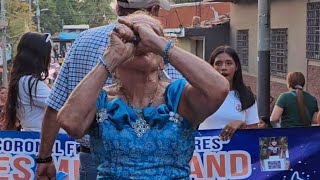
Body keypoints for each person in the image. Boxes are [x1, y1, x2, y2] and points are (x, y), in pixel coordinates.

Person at [55, 12, 229, 179]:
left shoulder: (178, 97)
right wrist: (111, 57)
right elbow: (70, 122)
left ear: (163, 60)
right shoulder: (102, 100)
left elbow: (218, 89)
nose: (141, 42)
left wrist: (156, 42)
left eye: (149, 35)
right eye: (133, 36)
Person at [36, 1, 184, 179]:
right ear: (154, 10)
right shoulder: (161, 50)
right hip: (156, 159)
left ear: (117, 7)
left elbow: (55, 105)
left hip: (93, 157)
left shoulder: (84, 40)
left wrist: (44, 158)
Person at [0, 32, 59, 132]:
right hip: (42, 138)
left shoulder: (22, 81)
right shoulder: (30, 84)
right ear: (40, 57)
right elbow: (61, 106)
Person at [198, 46, 259, 140]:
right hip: (205, 152)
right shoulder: (201, 93)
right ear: (212, 67)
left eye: (229, 63)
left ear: (236, 67)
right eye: (218, 63)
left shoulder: (247, 96)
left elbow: (254, 132)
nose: (223, 68)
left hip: (237, 152)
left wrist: (241, 124)